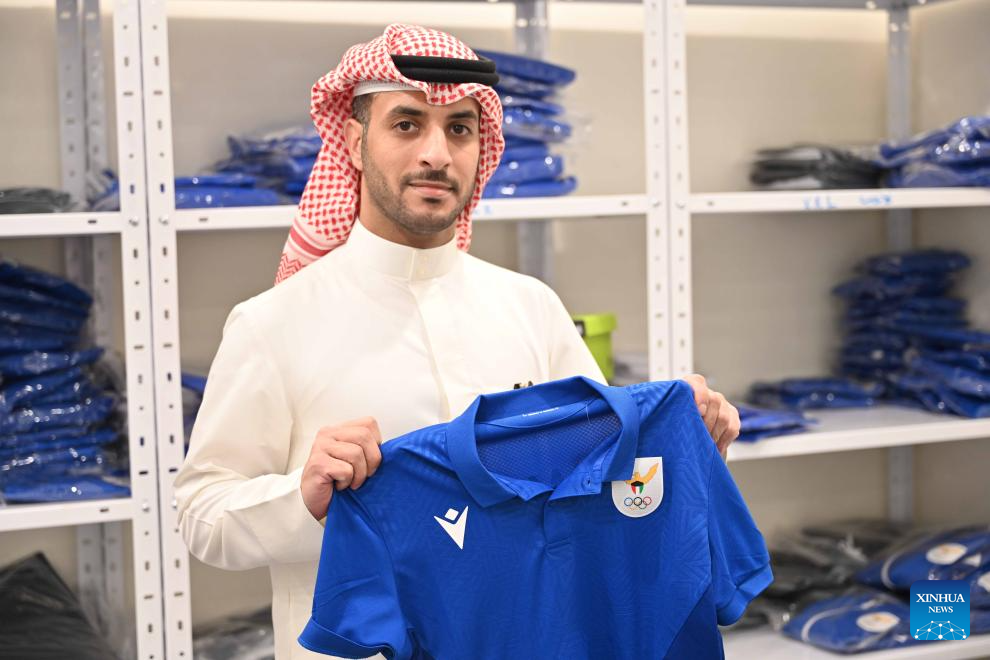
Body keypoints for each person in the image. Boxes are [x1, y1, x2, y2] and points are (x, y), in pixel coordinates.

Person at [174, 24, 741, 660]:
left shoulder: (531, 307)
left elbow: (604, 485)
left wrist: (697, 442)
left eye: (460, 128)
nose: (437, 154)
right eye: (407, 124)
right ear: (354, 143)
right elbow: (201, 514)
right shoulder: (272, 323)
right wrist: (300, 498)